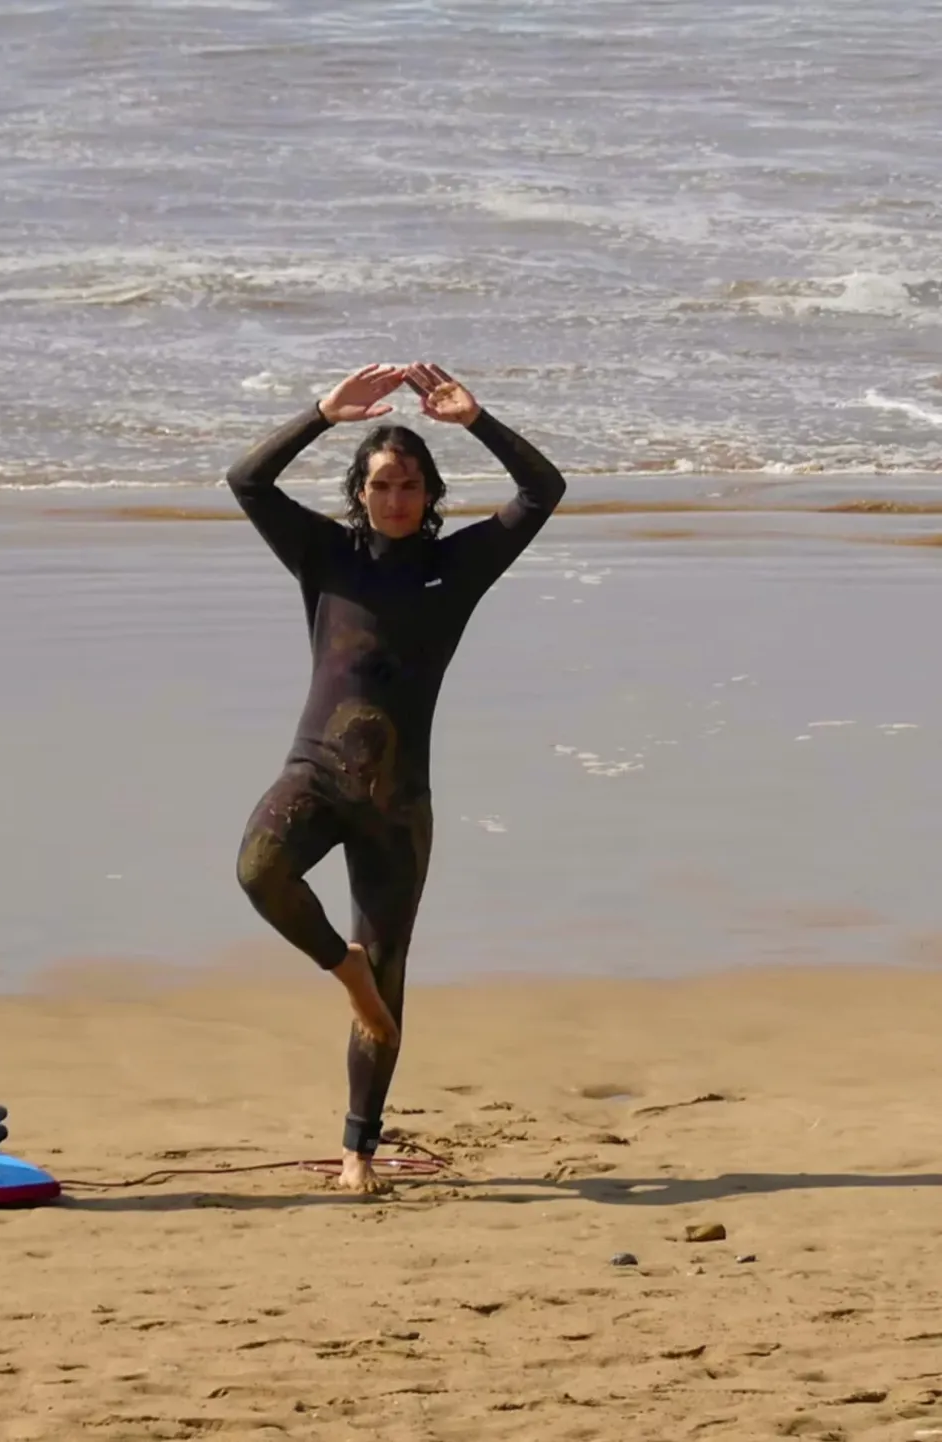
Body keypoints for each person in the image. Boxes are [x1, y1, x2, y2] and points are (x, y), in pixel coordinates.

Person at [227, 362, 565, 1193]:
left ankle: (358, 1151)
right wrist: (324, 414)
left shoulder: (459, 567)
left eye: (411, 484)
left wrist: (476, 418)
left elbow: (544, 488)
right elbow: (246, 480)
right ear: (361, 492)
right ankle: (341, 970)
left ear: (430, 491)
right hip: (316, 777)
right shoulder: (326, 557)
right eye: (382, 484)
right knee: (258, 870)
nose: (398, 498)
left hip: (398, 807)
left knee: (390, 976)